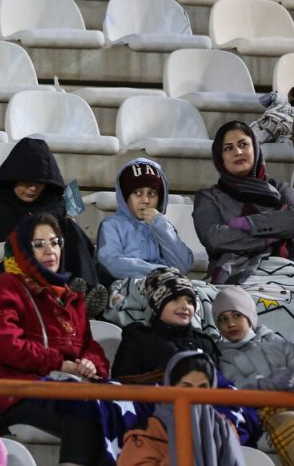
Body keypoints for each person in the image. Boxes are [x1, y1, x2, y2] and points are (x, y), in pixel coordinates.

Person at [0, 213, 109, 466]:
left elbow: (89, 346)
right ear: (24, 250)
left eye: (55, 242)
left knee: (114, 410)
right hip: (16, 391)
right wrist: (59, 364)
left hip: (64, 387)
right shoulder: (5, 285)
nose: (51, 250)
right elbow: (5, 344)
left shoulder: (71, 296)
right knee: (84, 408)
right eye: (39, 244)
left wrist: (90, 363)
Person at [0, 137, 104, 309]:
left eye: (39, 183)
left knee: (69, 228)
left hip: (53, 276)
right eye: (26, 182)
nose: (32, 189)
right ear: (13, 177)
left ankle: (82, 297)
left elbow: (80, 250)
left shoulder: (56, 205)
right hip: (6, 277)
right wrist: (11, 246)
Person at [194, 121, 294, 284]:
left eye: (243, 144)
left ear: (255, 148)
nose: (238, 152)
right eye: (228, 148)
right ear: (221, 158)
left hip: (286, 273)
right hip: (231, 281)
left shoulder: (281, 189)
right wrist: (272, 236)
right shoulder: (208, 197)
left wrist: (248, 223)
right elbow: (216, 240)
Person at [117, 350, 243, 466]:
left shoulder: (224, 428)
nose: (194, 395)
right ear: (170, 387)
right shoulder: (144, 434)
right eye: (186, 387)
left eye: (203, 387)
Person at [213, 286, 294, 464]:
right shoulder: (223, 356)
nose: (231, 323)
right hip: (264, 413)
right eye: (223, 319)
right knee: (289, 421)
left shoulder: (272, 339)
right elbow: (239, 387)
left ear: (249, 317)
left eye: (237, 315)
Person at [112, 267, 219, 384]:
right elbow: (122, 385)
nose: (185, 306)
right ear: (157, 305)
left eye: (189, 301)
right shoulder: (138, 339)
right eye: (175, 299)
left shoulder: (205, 343)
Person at [97, 158, 193, 280]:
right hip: (127, 285)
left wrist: (160, 225)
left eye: (152, 193)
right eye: (137, 193)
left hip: (166, 285)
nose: (145, 200)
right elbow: (111, 262)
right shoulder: (111, 225)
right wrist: (158, 272)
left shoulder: (162, 226)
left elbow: (183, 266)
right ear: (125, 196)